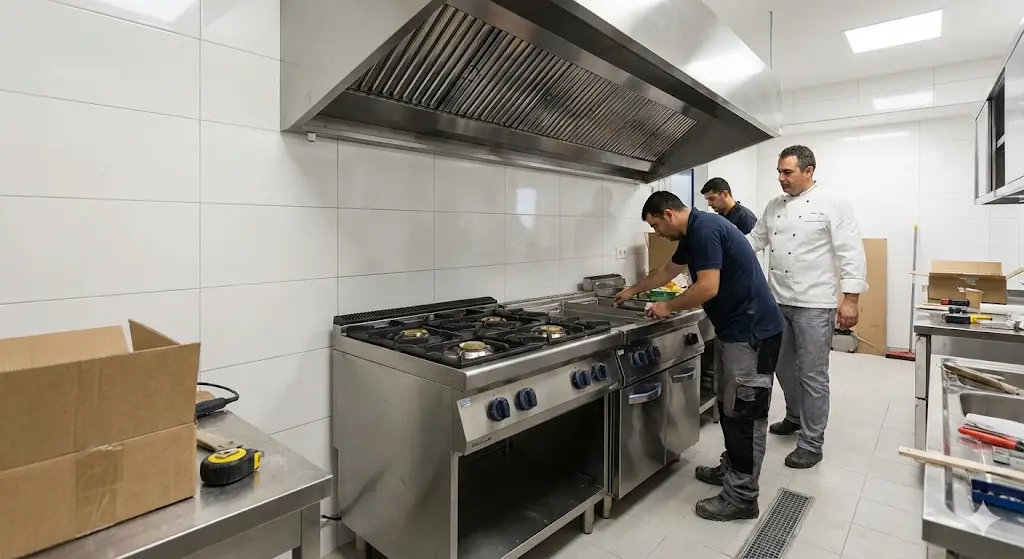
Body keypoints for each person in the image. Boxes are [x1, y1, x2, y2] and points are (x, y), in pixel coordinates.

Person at [614, 191, 784, 522]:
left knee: (745, 416)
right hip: (738, 331)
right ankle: (732, 471)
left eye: (656, 226)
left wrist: (668, 306)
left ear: (669, 214)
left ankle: (742, 498)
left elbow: (707, 287)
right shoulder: (694, 232)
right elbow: (667, 270)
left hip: (752, 333)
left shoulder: (705, 229)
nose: (657, 233)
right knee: (730, 408)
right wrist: (632, 290)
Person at [747, 145, 868, 469]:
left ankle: (812, 443)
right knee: (782, 367)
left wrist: (851, 298)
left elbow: (851, 251)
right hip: (778, 300)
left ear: (809, 171)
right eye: (779, 172)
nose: (781, 178)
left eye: (787, 172)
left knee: (813, 375)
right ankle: (794, 416)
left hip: (815, 303)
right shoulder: (774, 206)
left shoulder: (833, 203)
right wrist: (721, 246)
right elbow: (754, 241)